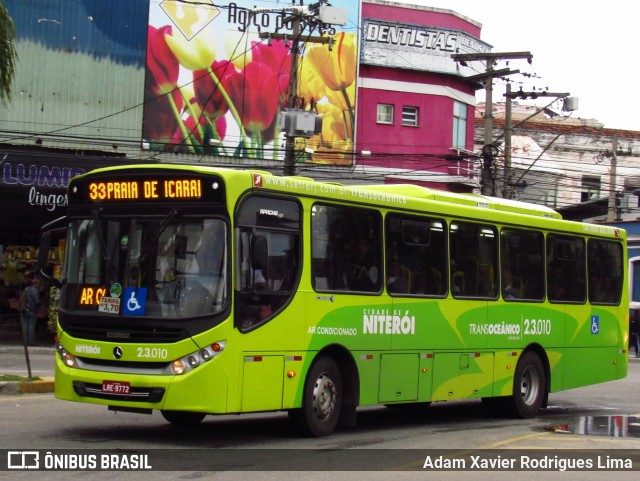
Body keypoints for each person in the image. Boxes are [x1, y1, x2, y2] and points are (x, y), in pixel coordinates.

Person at [20, 274, 43, 346]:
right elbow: (37, 301)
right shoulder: (35, 291)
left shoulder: (27, 289)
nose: (39, 286)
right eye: (39, 284)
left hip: (25, 309)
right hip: (32, 311)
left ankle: (25, 342)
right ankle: (30, 342)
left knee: (25, 326)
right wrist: (40, 305)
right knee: (31, 327)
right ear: (36, 284)